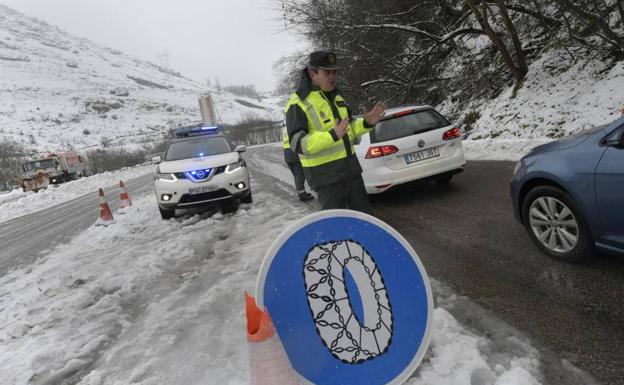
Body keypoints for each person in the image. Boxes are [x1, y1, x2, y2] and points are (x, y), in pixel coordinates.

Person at [284, 51, 386, 215]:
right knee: (337, 227)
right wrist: (330, 136)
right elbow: (297, 143)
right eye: (327, 72)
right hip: (326, 178)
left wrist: (367, 123)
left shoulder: (336, 97)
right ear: (313, 73)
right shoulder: (298, 103)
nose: (333, 76)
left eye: (334, 72)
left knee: (365, 220)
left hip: (351, 172)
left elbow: (348, 129)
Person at [282, 125, 314, 201]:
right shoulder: (292, 126)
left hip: (287, 153)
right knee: (299, 174)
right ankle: (302, 195)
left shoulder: (284, 128)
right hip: (293, 152)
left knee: (296, 174)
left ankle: (301, 192)